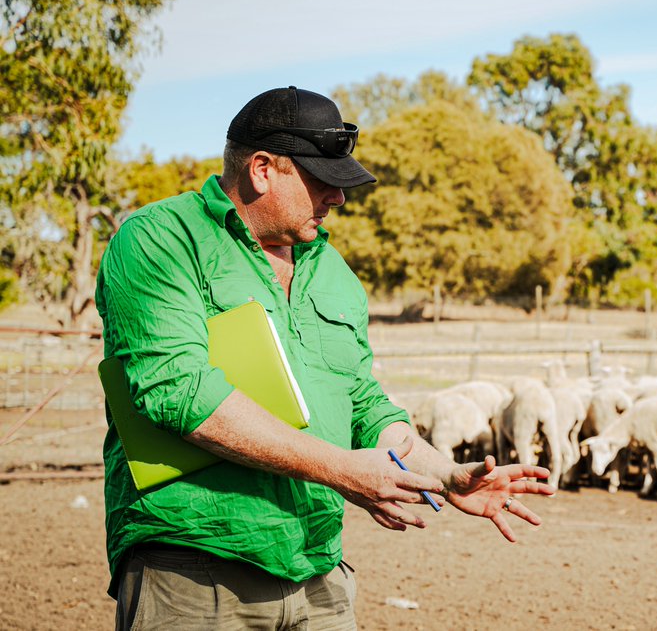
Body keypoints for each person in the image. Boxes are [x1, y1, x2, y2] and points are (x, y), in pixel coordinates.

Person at [96, 86, 553, 629]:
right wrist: (342, 471)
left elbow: (363, 404)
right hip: (196, 570)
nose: (338, 199)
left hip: (320, 572)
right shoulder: (162, 240)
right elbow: (179, 393)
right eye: (323, 183)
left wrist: (448, 477)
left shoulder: (332, 271)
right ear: (264, 169)